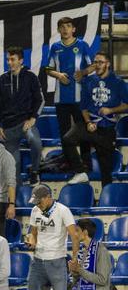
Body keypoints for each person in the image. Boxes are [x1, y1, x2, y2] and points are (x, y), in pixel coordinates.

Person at [20, 184, 81, 290]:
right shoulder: (35, 211)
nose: (37, 204)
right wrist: (31, 241)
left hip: (57, 261)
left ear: (48, 197)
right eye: (36, 202)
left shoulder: (63, 210)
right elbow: (34, 233)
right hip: (37, 261)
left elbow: (75, 236)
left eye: (39, 201)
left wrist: (74, 259)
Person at [63, 51, 128, 187]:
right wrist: (88, 122)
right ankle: (81, 171)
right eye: (95, 62)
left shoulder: (118, 82)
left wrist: (111, 110)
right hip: (90, 124)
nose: (97, 65)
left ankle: (106, 202)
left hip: (107, 130)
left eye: (100, 62)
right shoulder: (88, 81)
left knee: (106, 172)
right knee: (68, 139)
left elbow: (126, 105)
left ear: (108, 64)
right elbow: (83, 107)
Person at [44, 17, 93, 173]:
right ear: (58, 30)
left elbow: (92, 65)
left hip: (80, 98)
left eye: (68, 26)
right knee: (64, 131)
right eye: (62, 26)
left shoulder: (82, 45)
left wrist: (84, 72)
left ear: (74, 29)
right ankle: (68, 160)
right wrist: (58, 75)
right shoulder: (55, 47)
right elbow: (47, 69)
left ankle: (86, 161)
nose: (65, 29)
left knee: (83, 129)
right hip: (61, 98)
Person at [0, 46, 44, 186]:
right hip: (8, 127)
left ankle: (34, 172)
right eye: (8, 59)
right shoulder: (2, 79)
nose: (9, 62)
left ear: (21, 60)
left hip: (25, 123)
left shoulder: (30, 77)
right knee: (13, 169)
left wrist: (33, 118)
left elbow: (40, 99)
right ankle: (20, 198)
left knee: (35, 142)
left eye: (12, 59)